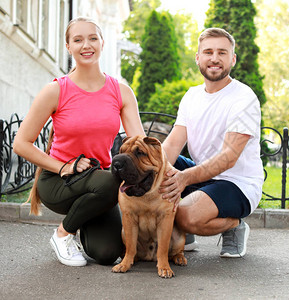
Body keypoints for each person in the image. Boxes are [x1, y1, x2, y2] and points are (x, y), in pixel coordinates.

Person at [13, 17, 145, 267]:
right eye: (78, 39)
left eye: (93, 38)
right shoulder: (56, 90)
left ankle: (85, 216)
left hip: (98, 184)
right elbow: (21, 144)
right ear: (68, 47)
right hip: (58, 181)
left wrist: (166, 173)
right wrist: (63, 167)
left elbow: (138, 143)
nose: (87, 45)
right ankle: (63, 234)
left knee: (107, 253)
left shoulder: (121, 92)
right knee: (112, 180)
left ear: (102, 43)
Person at [160, 28, 264, 258]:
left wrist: (184, 178)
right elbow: (172, 146)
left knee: (186, 215)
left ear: (232, 59)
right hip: (204, 175)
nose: (214, 58)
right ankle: (183, 230)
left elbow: (228, 158)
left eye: (222, 53)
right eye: (208, 52)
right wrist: (148, 170)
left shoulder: (243, 98)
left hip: (237, 183)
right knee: (155, 166)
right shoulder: (192, 96)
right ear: (198, 57)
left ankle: (234, 225)